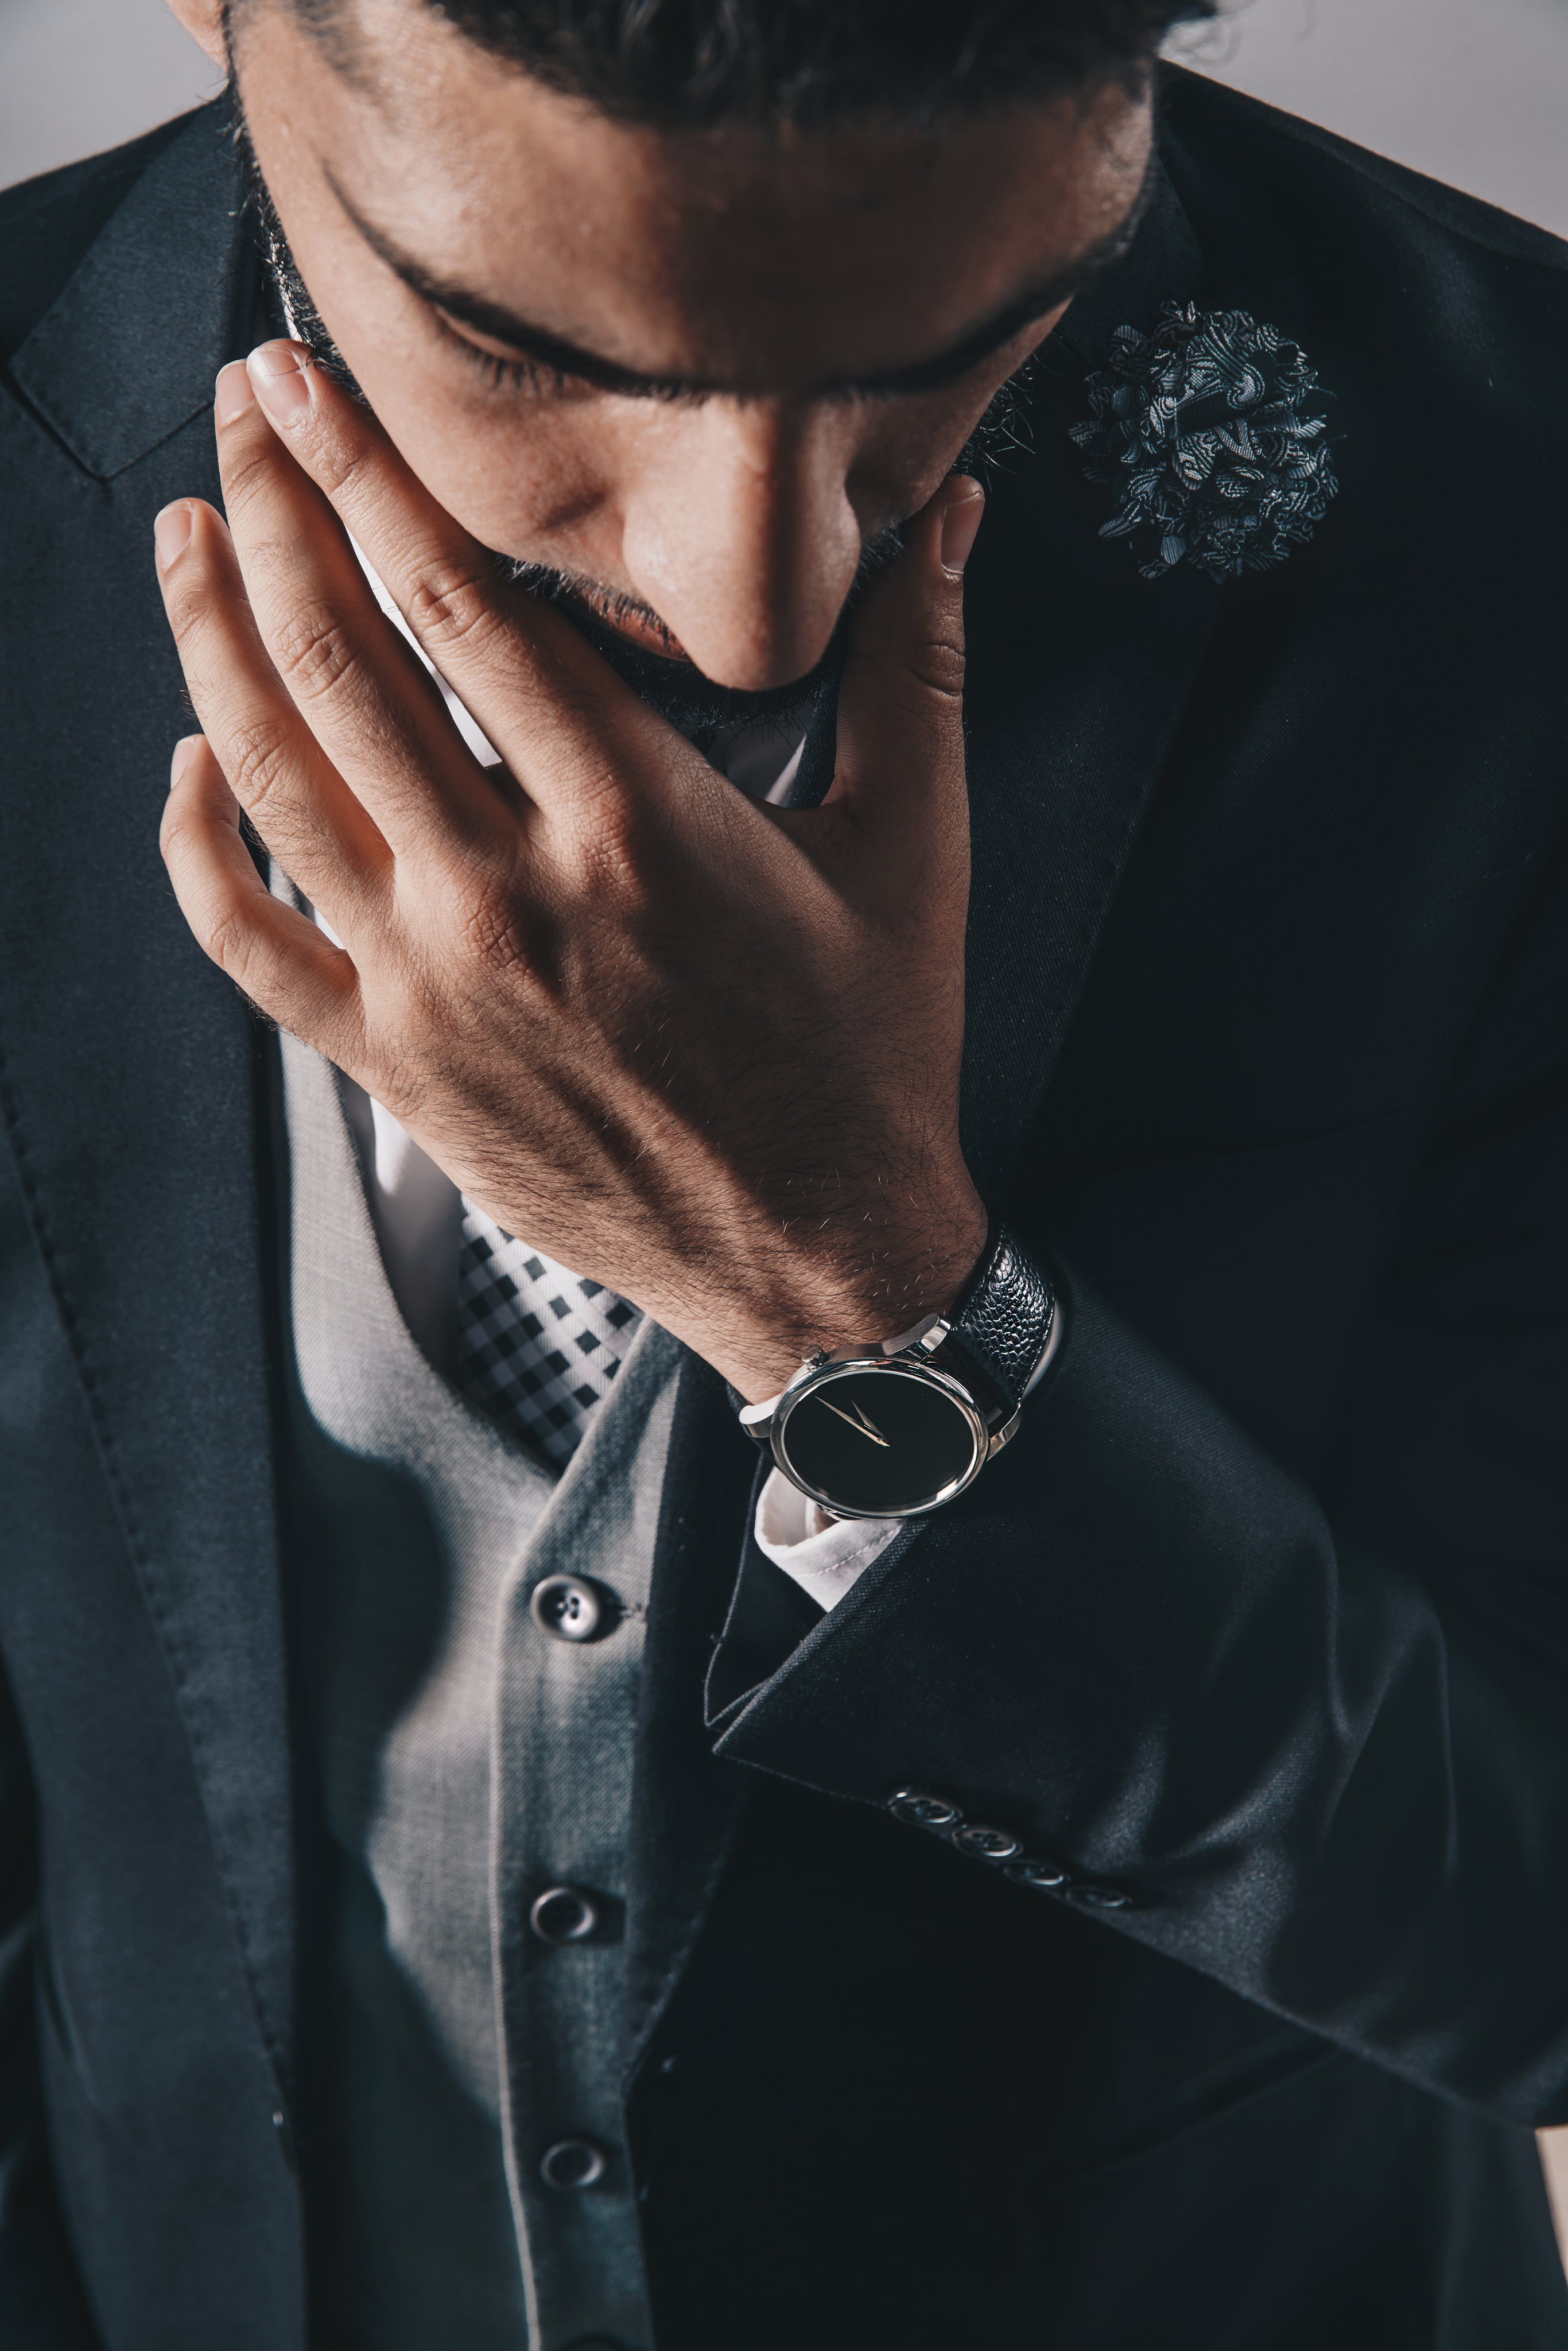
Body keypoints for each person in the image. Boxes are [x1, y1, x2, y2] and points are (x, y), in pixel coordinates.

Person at [2, 0, 1566, 2341]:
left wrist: (866, 1302)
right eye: (523, 353)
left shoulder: (1515, 506)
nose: (753, 595)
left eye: (967, 342)